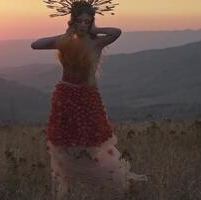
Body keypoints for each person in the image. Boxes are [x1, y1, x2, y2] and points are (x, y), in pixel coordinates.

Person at [31, 1, 148, 199]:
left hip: (87, 96)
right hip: (66, 96)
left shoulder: (96, 42)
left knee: (91, 142)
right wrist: (66, 33)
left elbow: (116, 32)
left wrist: (97, 29)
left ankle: (99, 185)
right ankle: (74, 186)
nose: (84, 25)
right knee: (67, 143)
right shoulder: (65, 41)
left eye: (88, 21)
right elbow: (36, 44)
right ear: (73, 21)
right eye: (80, 21)